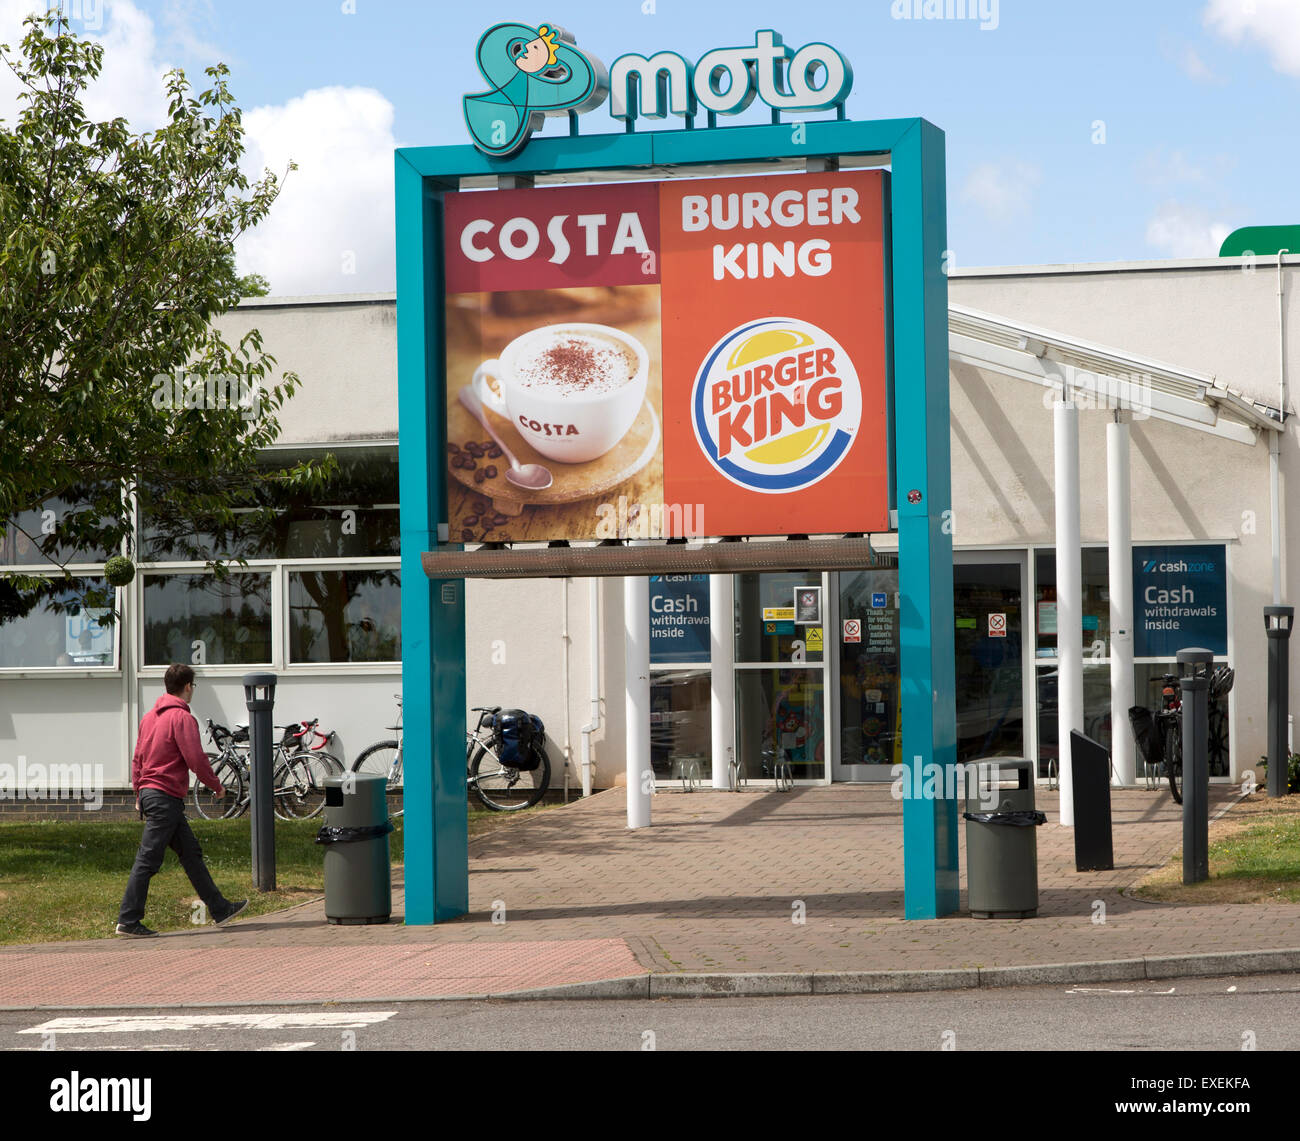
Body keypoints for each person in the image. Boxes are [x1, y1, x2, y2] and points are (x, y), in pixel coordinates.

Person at [115, 664, 248, 937]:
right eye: (193, 686)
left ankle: (219, 908)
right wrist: (216, 785)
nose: (193, 691)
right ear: (188, 686)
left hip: (156, 795)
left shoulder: (149, 718)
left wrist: (139, 791)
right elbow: (196, 758)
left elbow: (138, 758)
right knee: (148, 859)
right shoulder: (182, 718)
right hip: (165, 796)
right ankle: (128, 919)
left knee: (191, 854)